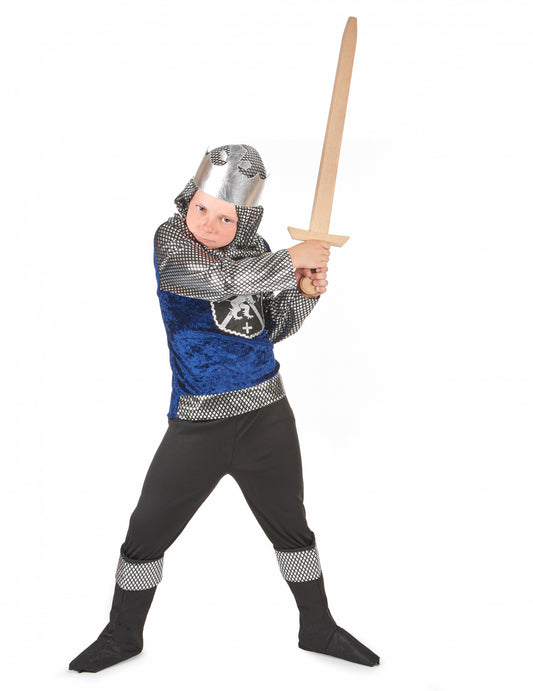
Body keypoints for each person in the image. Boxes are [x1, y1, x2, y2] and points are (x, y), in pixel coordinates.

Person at [68, 144, 379, 673]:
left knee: (292, 528)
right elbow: (213, 282)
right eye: (202, 209)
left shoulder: (255, 253)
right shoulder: (172, 241)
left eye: (226, 217)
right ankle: (123, 636)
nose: (209, 224)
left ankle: (318, 628)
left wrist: (304, 291)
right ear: (189, 200)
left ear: (245, 221)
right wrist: (288, 262)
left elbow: (272, 328)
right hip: (198, 426)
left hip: (268, 416)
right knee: (147, 531)